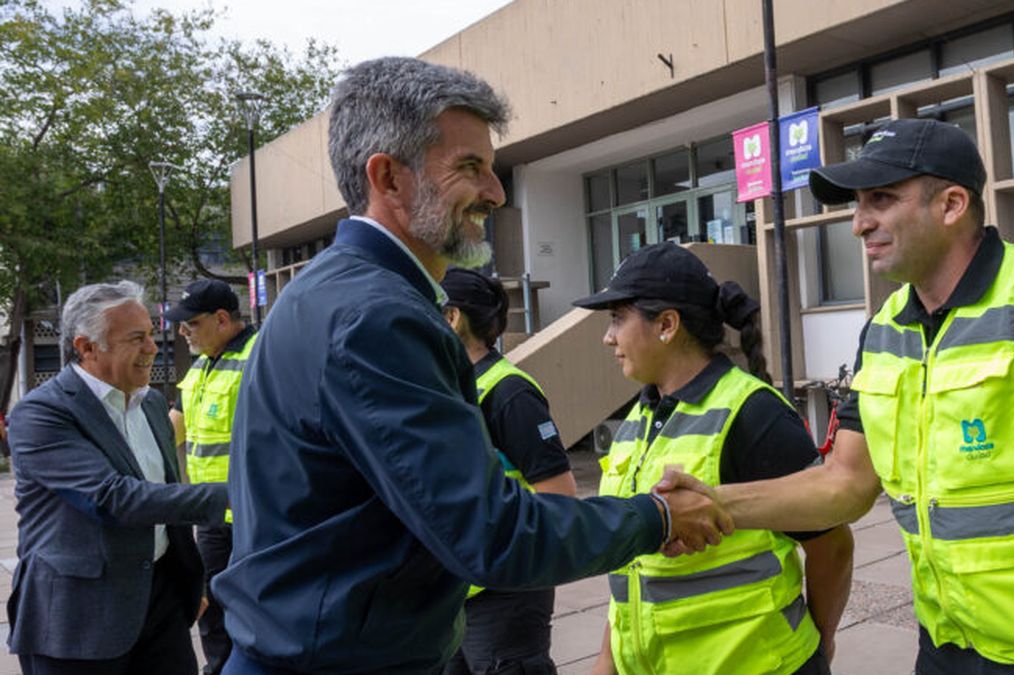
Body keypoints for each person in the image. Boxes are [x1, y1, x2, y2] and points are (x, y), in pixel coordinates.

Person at [211, 56, 730, 675]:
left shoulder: (328, 292)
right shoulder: (376, 316)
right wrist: (659, 515)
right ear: (389, 178)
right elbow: (493, 535)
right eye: (470, 167)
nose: (497, 191)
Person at [661, 118, 1014, 674]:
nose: (858, 223)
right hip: (949, 649)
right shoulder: (886, 329)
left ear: (951, 205)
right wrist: (716, 503)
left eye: (881, 200)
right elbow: (845, 483)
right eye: (858, 203)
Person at [575, 242, 854, 675]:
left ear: (667, 324)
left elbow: (831, 546)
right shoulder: (640, 416)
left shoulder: (753, 414)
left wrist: (819, 642)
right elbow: (634, 572)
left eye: (617, 318)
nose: (607, 336)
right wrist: (607, 661)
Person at [7, 280, 228, 675]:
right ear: (86, 347)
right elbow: (114, 498)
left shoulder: (154, 403)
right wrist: (236, 495)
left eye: (152, 335)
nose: (152, 348)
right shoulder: (42, 414)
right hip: (79, 620)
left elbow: (164, 492)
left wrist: (184, 583)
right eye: (137, 339)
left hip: (161, 605)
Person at [440, 267, 576, 675]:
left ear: (452, 317)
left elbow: (559, 497)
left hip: (506, 593)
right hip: (456, 589)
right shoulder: (450, 388)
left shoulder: (509, 392)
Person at [166, 278, 258, 675]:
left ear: (221, 319)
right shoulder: (201, 366)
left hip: (253, 514)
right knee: (206, 601)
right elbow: (175, 428)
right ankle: (218, 668)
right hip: (210, 514)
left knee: (253, 605)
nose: (182, 332)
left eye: (190, 324)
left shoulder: (260, 355)